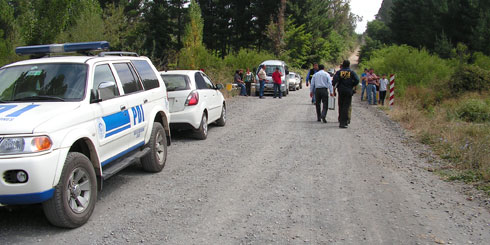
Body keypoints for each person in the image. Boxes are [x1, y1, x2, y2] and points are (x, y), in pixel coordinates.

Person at [333, 60, 360, 128]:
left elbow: (334, 81)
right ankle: (343, 122)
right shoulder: (351, 72)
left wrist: (335, 87)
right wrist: (352, 85)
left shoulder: (339, 72)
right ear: (349, 65)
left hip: (341, 90)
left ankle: (341, 120)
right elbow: (357, 80)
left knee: (341, 105)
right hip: (348, 90)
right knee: (346, 106)